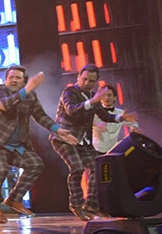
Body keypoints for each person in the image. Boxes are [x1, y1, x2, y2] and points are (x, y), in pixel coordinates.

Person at [0, 65, 77, 224]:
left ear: (24, 81)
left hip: (15, 146)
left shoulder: (30, 96)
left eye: (18, 78)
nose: (14, 80)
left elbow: (40, 116)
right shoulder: (0, 91)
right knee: (0, 169)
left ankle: (14, 198)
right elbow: (4, 105)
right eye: (11, 77)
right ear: (6, 80)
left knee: (36, 164)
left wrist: (57, 130)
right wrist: (27, 89)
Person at [51, 64, 136, 220]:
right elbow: (71, 109)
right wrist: (92, 101)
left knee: (97, 169)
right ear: (78, 77)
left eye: (91, 81)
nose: (87, 83)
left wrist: (121, 118)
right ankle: (76, 204)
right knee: (77, 168)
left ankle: (91, 206)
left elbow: (104, 115)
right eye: (84, 79)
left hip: (83, 141)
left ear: (95, 82)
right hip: (64, 138)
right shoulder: (69, 92)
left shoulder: (92, 97)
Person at [92, 83, 139, 153]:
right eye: (103, 95)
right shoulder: (94, 112)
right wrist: (96, 124)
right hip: (96, 150)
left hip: (113, 150)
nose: (106, 98)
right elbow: (83, 122)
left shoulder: (120, 113)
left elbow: (134, 123)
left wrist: (134, 130)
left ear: (115, 97)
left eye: (109, 95)